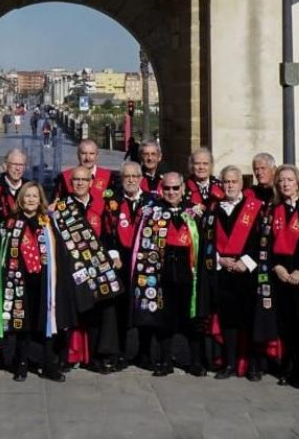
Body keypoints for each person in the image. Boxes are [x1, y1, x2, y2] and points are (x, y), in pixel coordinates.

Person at [49, 166, 124, 373]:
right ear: (70, 184)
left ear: (91, 182)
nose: (80, 183)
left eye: (84, 180)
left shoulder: (102, 205)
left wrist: (114, 255)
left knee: (97, 312)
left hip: (98, 267)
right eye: (76, 180)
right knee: (70, 311)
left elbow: (110, 232)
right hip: (70, 268)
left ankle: (95, 356)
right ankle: (67, 355)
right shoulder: (60, 208)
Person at [131, 172, 205, 377]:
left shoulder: (194, 212)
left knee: (193, 314)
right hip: (162, 269)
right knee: (164, 315)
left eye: (175, 188)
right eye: (167, 188)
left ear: (183, 189)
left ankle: (196, 361)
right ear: (161, 190)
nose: (171, 192)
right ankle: (165, 360)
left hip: (189, 268)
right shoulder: (152, 212)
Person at [0, 181, 65, 382]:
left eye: (35, 196)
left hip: (44, 280)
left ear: (40, 199)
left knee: (47, 322)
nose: (31, 199)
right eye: (27, 196)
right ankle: (22, 364)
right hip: (20, 280)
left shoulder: (47, 222)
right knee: (22, 324)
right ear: (21, 199)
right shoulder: (11, 222)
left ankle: (49, 364)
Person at [212, 165, 267, 382]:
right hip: (223, 271)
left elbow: (262, 239)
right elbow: (207, 241)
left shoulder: (256, 208)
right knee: (228, 321)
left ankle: (254, 365)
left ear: (241, 184)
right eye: (226, 182)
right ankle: (230, 363)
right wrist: (219, 259)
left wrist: (246, 261)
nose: (230, 186)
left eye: (234, 182)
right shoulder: (214, 209)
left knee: (250, 320)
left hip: (248, 272)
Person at [265, 165, 299, 388]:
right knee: (285, 326)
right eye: (281, 181)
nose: (285, 184)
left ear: (298, 183)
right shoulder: (273, 210)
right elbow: (265, 244)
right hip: (281, 275)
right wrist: (276, 267)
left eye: (289, 180)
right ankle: (290, 367)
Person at [103, 161, 149, 370]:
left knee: (146, 306)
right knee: (120, 309)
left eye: (134, 176)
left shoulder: (151, 201)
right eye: (126, 176)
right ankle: (119, 352)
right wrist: (113, 254)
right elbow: (106, 231)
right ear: (121, 179)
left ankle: (144, 353)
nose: (131, 180)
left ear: (141, 178)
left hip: (145, 264)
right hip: (119, 262)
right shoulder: (112, 201)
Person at [53, 139, 114, 203]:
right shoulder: (64, 178)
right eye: (84, 153)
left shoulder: (109, 178)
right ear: (78, 155)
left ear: (97, 156)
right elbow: (56, 204)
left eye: (91, 154)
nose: (87, 158)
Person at [0, 149, 27, 224]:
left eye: (21, 165)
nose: (18, 169)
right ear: (5, 165)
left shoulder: (30, 187)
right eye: (14, 164)